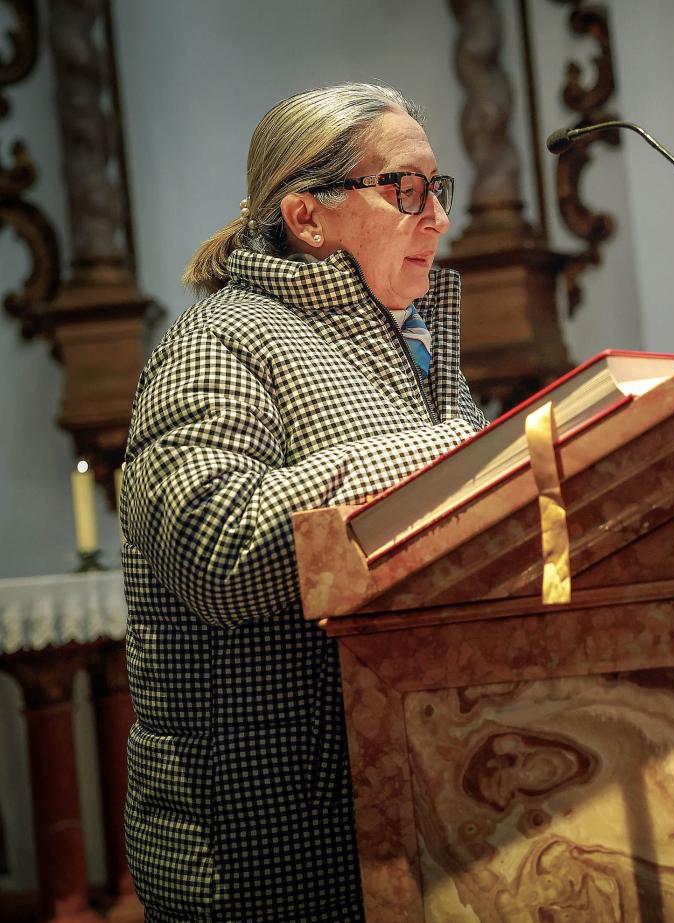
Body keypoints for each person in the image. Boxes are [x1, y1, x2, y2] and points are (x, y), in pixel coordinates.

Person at [119, 84, 488, 922]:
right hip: (267, 843)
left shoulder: (421, 350)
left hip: (418, 804)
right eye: (405, 188)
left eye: (439, 188)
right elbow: (217, 551)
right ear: (307, 216)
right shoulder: (219, 340)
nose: (436, 218)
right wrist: (451, 455)